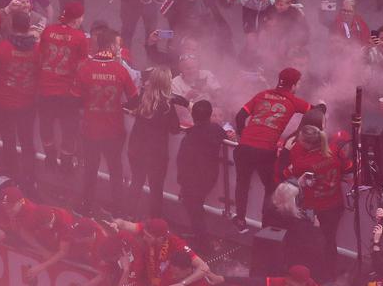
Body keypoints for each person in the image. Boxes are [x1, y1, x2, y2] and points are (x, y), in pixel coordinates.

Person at [232, 68, 313, 230]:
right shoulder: (293, 101)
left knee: (242, 184)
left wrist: (243, 137)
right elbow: (314, 113)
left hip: (244, 148)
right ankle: (266, 225)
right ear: (294, 85)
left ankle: (240, 220)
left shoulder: (262, 94)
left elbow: (240, 117)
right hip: (265, 150)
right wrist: (298, 133)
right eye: (299, 83)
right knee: (270, 187)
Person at [77, 27, 138, 211]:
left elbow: (76, 98)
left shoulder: (85, 68)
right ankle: (118, 208)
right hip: (114, 130)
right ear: (111, 46)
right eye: (118, 45)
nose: (119, 48)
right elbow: (135, 100)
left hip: (90, 130)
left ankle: (86, 206)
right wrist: (119, 105)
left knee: (90, 169)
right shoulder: (120, 70)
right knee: (115, 170)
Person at [279, 124, 351, 278]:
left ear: (306, 144)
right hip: (335, 206)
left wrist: (286, 151)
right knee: (330, 241)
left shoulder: (302, 163)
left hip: (316, 210)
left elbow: (283, 174)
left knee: (312, 242)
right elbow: (348, 167)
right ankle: (330, 274)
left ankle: (315, 274)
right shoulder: (335, 152)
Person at [0, 11, 40, 181]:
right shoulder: (37, 49)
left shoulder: (2, 47)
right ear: (28, 26)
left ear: (12, 25)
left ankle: (11, 172)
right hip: (28, 102)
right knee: (27, 140)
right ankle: (30, 175)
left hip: (4, 102)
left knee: (8, 139)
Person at [37, 3, 89, 169]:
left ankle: (50, 157)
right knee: (69, 130)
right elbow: (82, 67)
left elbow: (40, 56)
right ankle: (66, 163)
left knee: (46, 126)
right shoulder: (80, 37)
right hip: (67, 94)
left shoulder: (48, 31)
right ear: (77, 19)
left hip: (45, 90)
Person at [128, 68, 182, 218]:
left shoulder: (142, 97)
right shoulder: (166, 106)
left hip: (136, 149)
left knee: (136, 183)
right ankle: (154, 222)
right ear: (166, 83)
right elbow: (175, 129)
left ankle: (129, 215)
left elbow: (127, 105)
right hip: (156, 154)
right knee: (156, 189)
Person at [176, 100, 224, 249]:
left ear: (193, 116)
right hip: (210, 177)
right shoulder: (217, 130)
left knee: (194, 209)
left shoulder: (190, 137)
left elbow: (182, 161)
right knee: (197, 207)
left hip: (193, 179)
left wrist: (181, 183)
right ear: (210, 115)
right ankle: (200, 236)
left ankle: (203, 243)